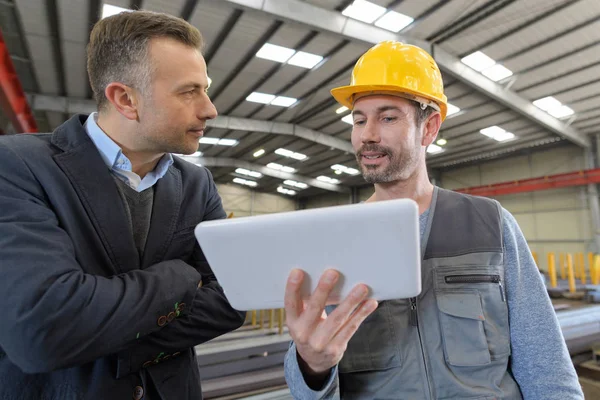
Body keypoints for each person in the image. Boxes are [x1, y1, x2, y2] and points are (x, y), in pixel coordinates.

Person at [283, 41, 584, 399]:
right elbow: (309, 382)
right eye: (359, 120)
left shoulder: (489, 224)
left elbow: (546, 367)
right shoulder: (334, 239)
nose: (367, 135)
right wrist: (311, 366)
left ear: (429, 128)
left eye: (388, 117)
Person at [0, 10, 246, 400]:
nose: (209, 109)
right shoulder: (17, 166)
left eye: (206, 89)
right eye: (189, 91)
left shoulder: (196, 184)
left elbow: (235, 299)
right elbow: (42, 329)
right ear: (125, 99)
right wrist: (181, 276)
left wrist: (100, 335)